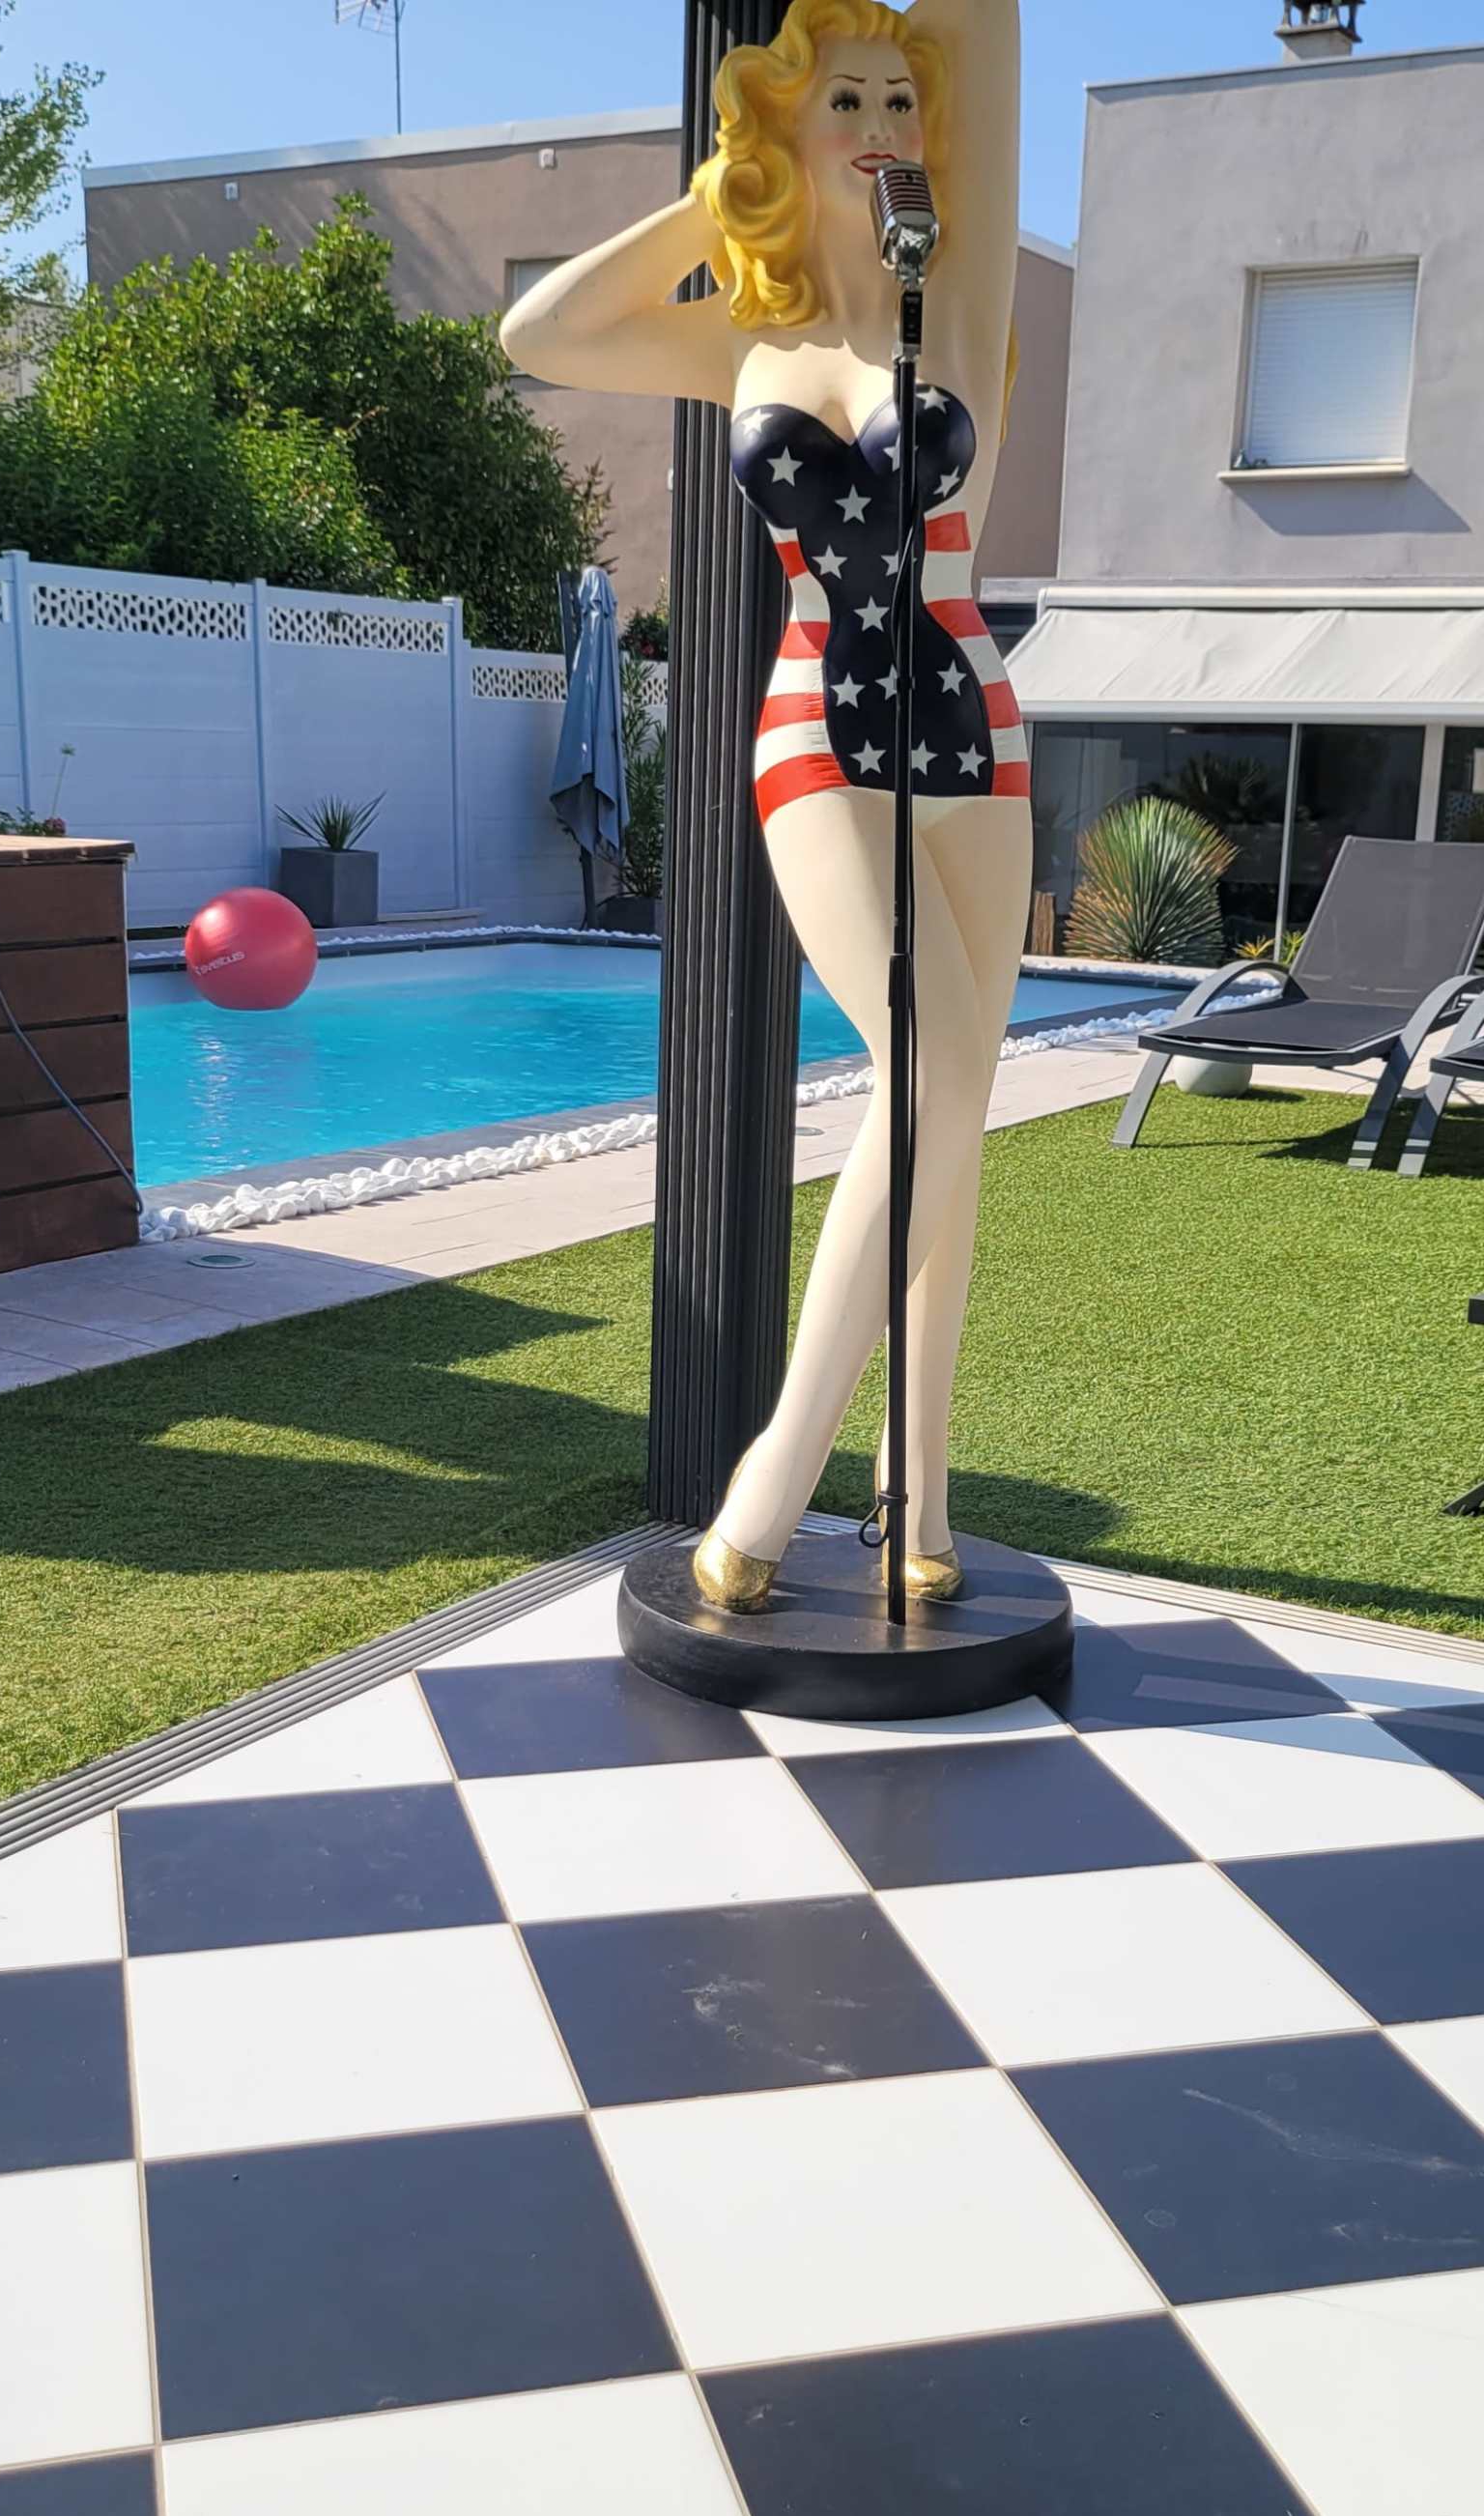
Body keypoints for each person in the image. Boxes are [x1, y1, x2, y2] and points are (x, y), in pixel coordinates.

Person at [503, 0, 1025, 1614]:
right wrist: (728, 186)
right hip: (814, 722)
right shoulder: (745, 327)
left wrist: (907, 118)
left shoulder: (965, 286)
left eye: (895, 98)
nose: (880, 122)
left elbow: (988, 34)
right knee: (924, 1071)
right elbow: (543, 332)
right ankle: (782, 1476)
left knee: (952, 1108)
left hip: (974, 725)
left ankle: (920, 1483)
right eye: (843, 100)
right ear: (789, 132)